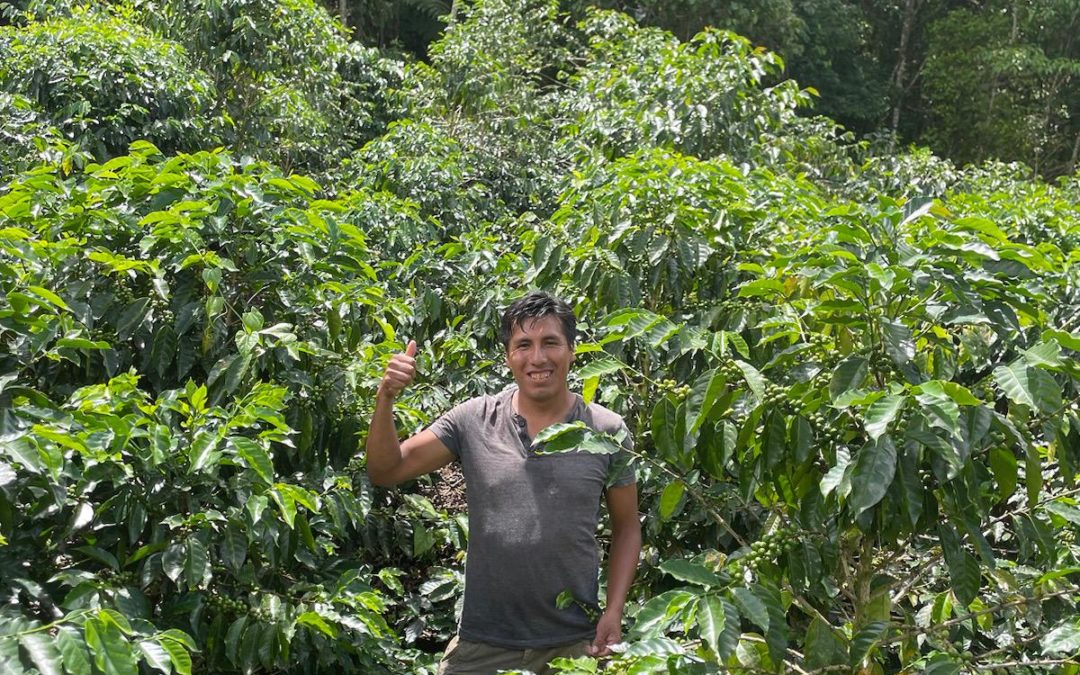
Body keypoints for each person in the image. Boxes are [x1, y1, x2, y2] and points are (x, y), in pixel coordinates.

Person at [367, 291, 641, 675]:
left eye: (551, 343)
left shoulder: (606, 431)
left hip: (573, 644)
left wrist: (613, 611)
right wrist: (386, 397)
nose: (538, 358)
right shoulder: (473, 420)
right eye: (523, 345)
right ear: (508, 356)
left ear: (572, 350)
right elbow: (386, 470)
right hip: (484, 644)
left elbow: (627, 525)